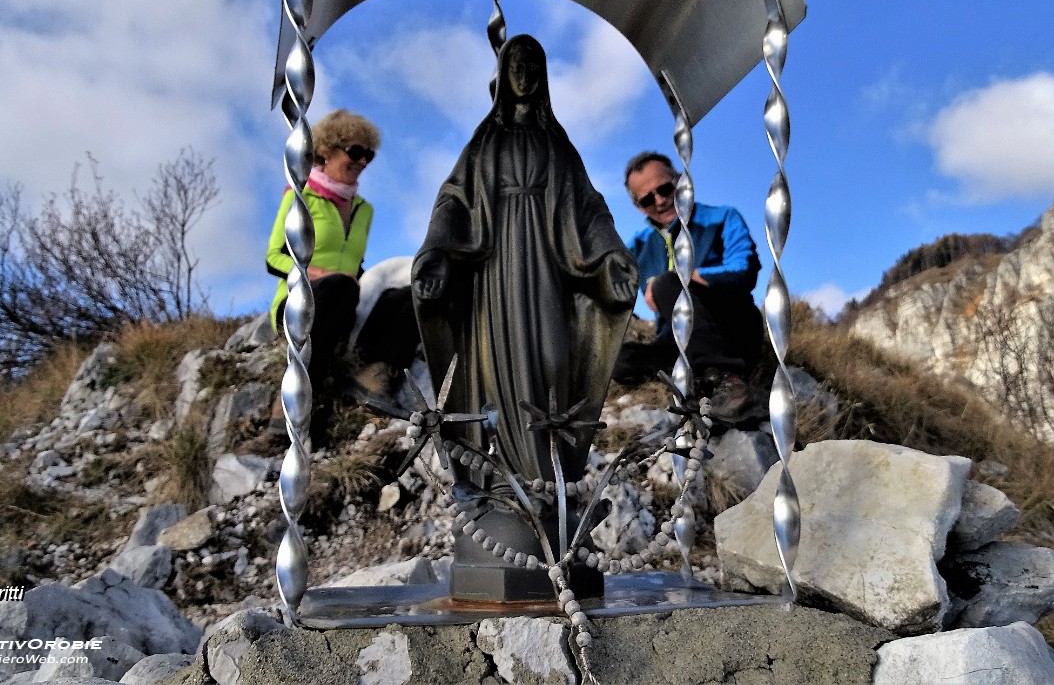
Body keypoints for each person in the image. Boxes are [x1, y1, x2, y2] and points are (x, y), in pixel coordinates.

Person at [412, 35, 639, 483]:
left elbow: (589, 206)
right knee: (498, 370)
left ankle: (551, 473)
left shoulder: (557, 144)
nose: (525, 73)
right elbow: (453, 200)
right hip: (495, 271)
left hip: (547, 263)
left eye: (534, 65)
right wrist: (437, 251)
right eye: (516, 65)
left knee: (556, 357)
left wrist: (611, 254)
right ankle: (507, 481)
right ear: (502, 75)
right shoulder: (485, 143)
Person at [265, 109, 418, 447]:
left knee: (410, 292)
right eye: (355, 151)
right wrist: (319, 274)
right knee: (339, 287)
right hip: (301, 303)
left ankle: (370, 379)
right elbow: (275, 258)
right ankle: (297, 396)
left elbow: (358, 265)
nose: (363, 161)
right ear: (326, 151)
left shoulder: (365, 210)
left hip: (347, 300)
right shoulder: (300, 197)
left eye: (369, 154)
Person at [617, 150, 765, 424]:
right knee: (619, 360)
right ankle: (697, 380)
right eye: (648, 199)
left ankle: (728, 384)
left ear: (679, 180)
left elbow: (745, 270)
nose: (660, 201)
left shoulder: (722, 218)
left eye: (665, 189)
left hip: (732, 329)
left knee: (667, 283)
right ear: (638, 206)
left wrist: (686, 276)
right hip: (677, 340)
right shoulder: (636, 247)